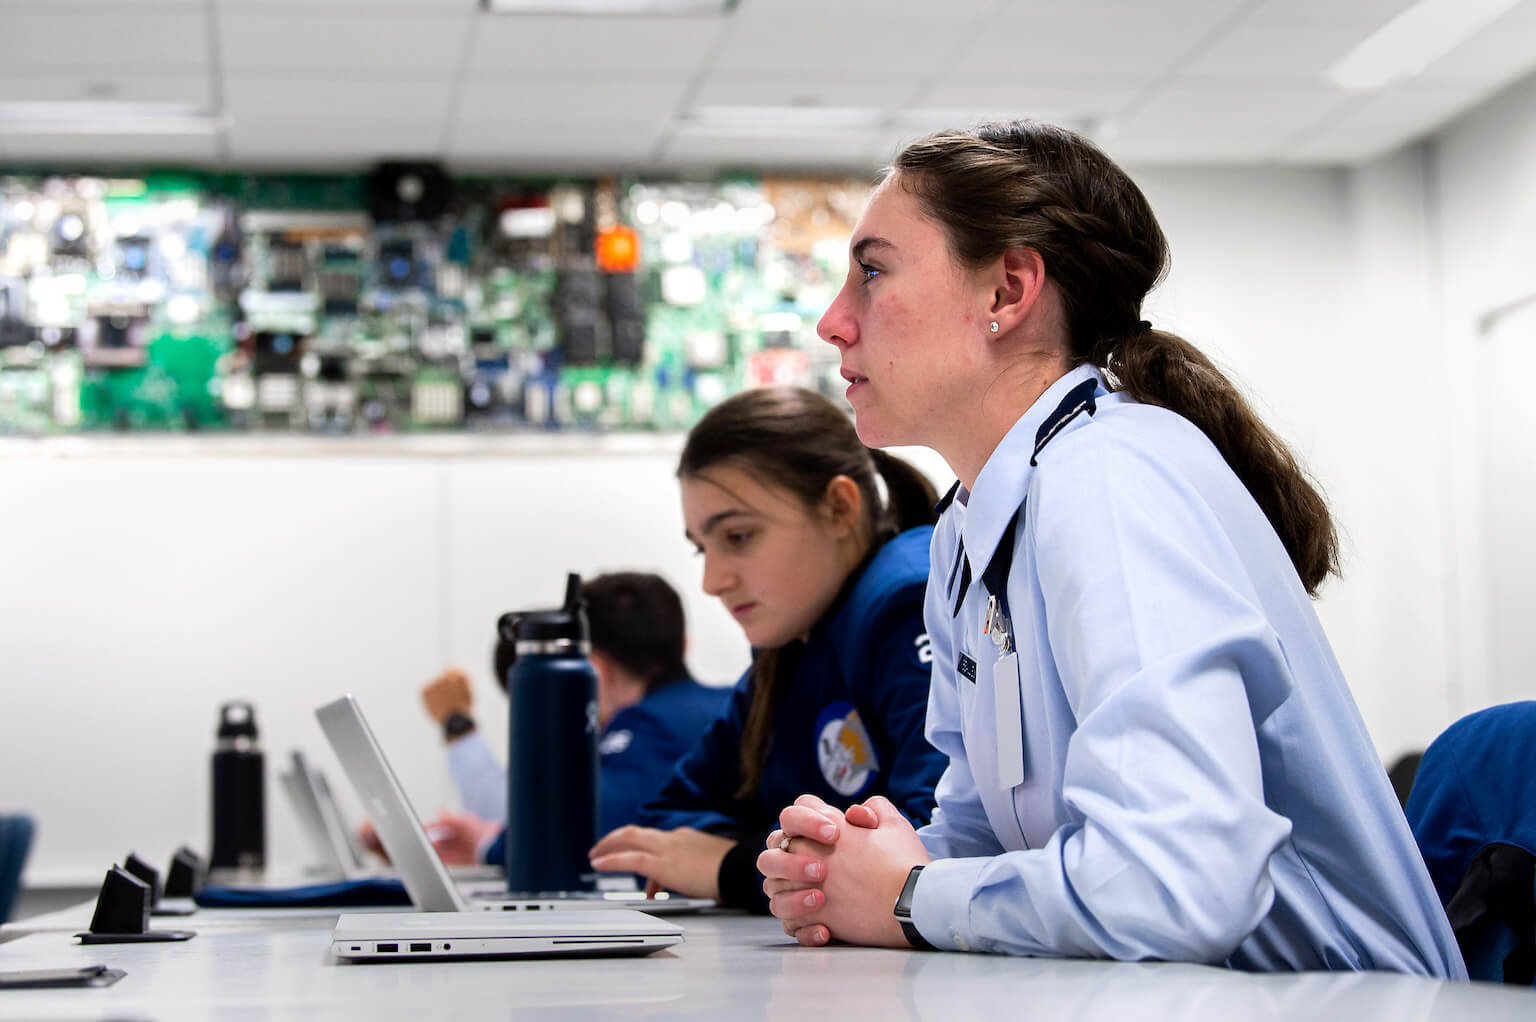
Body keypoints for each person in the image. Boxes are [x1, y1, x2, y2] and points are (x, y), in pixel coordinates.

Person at [758, 120, 1466, 977]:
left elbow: (1176, 888)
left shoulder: (1110, 477)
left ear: (1007, 290)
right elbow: (986, 834)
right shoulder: (962, 534)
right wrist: (855, 868)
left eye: (872, 272)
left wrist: (911, 895)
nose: (834, 322)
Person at [586, 386, 949, 912]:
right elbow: (667, 821)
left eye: (737, 536)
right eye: (701, 548)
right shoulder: (790, 641)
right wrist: (773, 853)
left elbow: (929, 852)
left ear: (839, 509)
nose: (711, 581)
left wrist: (731, 866)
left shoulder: (906, 603)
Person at [405, 572, 731, 866]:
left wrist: (488, 846)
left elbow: (574, 830)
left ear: (591, 669)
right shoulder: (728, 705)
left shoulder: (646, 726)